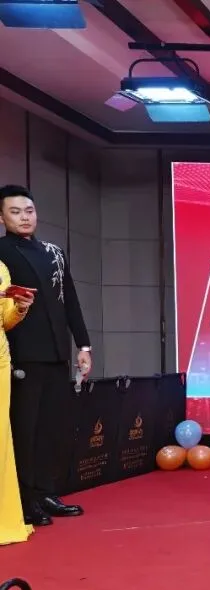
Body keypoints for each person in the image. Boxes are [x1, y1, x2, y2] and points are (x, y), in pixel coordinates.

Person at [0, 185, 90, 527]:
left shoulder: (54, 251)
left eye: (29, 211)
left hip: (56, 352)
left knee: (51, 428)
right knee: (25, 429)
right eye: (15, 212)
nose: (24, 217)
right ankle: (24, 500)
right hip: (20, 354)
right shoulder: (1, 251)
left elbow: (71, 301)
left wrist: (83, 346)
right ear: (2, 217)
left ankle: (46, 492)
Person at [0, 259, 35, 545]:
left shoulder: (1, 268)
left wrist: (21, 307)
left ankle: (5, 518)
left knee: (1, 437)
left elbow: (6, 320)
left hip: (0, 360)